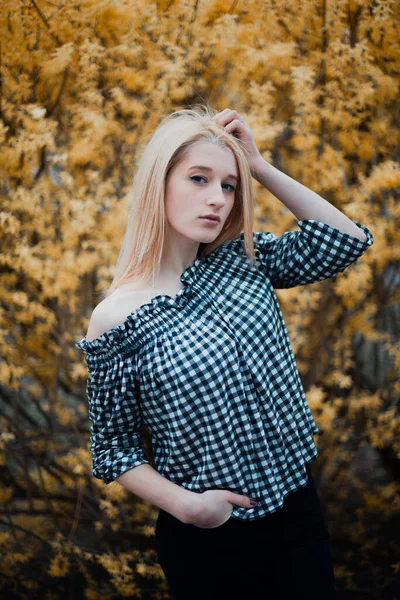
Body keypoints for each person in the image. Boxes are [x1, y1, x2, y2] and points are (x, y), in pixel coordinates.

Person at [76, 105, 374, 599]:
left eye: (228, 185)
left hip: (296, 511)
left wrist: (257, 165)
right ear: (160, 183)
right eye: (199, 178)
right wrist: (190, 508)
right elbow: (113, 447)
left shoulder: (244, 262)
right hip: (208, 540)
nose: (216, 198)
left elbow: (347, 241)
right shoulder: (117, 317)